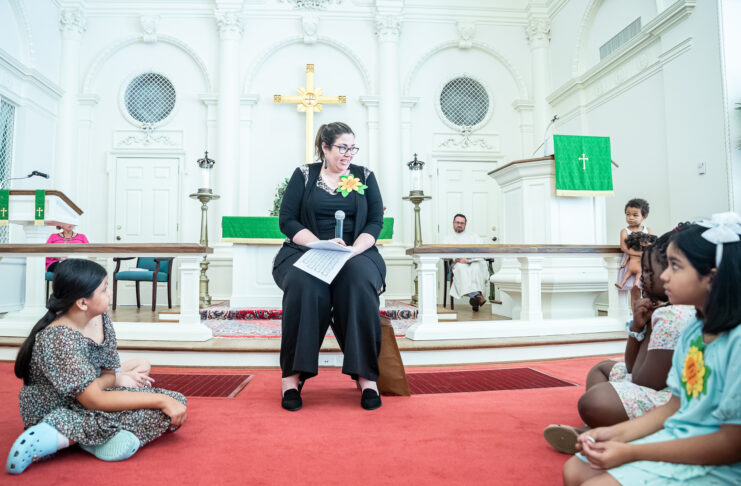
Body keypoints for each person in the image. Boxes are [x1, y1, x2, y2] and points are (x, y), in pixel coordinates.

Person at [563, 213, 741, 485]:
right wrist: (615, 435)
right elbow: (675, 406)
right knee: (574, 470)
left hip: (717, 458)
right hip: (681, 435)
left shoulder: (735, 343)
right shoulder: (695, 330)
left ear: (711, 278)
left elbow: (731, 444)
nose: (664, 275)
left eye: (675, 266)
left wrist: (632, 452)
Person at [6, 259, 187, 475]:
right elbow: (95, 400)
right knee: (163, 404)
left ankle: (84, 440)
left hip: (89, 398)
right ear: (83, 302)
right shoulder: (58, 338)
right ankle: (52, 433)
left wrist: (105, 382)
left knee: (177, 402)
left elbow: (109, 374)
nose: (109, 293)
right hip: (58, 409)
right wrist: (161, 400)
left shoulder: (101, 318)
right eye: (104, 289)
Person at [544, 229, 695, 454]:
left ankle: (601, 429)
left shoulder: (673, 316)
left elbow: (645, 380)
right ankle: (603, 427)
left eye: (649, 271)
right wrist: (637, 328)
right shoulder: (663, 310)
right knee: (602, 370)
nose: (643, 277)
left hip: (668, 398)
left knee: (594, 401)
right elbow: (633, 366)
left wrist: (651, 326)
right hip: (651, 380)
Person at [272, 121, 386, 412]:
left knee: (359, 282)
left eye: (352, 147)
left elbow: (375, 221)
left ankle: (366, 377)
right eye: (342, 147)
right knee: (304, 283)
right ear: (324, 147)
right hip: (306, 249)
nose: (348, 154)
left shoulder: (365, 176)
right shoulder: (304, 175)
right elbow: (287, 220)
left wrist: (352, 250)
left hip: (355, 253)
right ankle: (292, 378)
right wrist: (317, 245)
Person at [445, 214, 489, 311]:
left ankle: (475, 297)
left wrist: (468, 259)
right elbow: (444, 254)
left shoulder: (473, 236)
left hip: (473, 261)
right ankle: (477, 296)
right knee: (461, 268)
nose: (459, 225)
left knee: (477, 267)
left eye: (462, 223)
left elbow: (480, 249)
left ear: (465, 224)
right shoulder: (448, 238)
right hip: (458, 263)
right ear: (453, 223)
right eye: (457, 222)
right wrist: (456, 259)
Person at [617, 199, 652, 308]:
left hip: (645, 264)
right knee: (635, 290)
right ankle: (635, 317)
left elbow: (652, 244)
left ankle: (646, 318)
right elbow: (624, 247)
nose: (631, 217)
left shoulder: (648, 230)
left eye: (635, 215)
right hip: (631, 264)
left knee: (647, 291)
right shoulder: (624, 231)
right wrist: (639, 254)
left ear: (644, 216)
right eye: (628, 214)